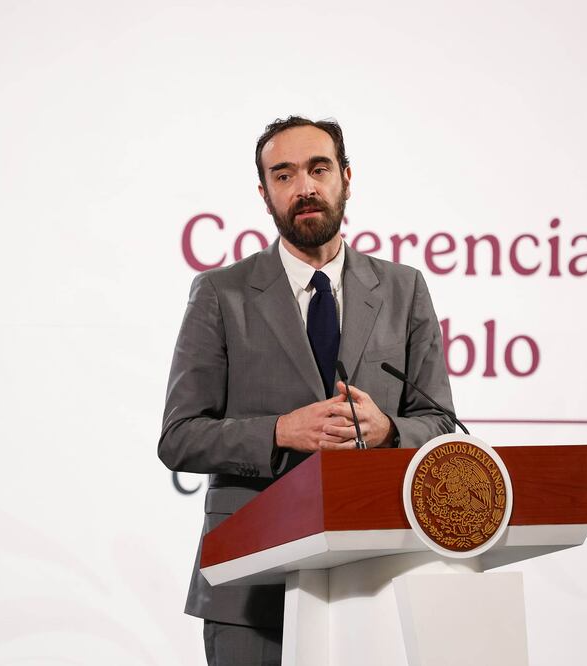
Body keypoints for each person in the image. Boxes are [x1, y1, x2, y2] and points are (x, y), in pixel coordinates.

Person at [157, 116, 455, 665]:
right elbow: (179, 438)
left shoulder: (403, 287)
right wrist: (280, 432)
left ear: (345, 176)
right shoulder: (220, 293)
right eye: (284, 175)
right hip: (249, 582)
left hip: (376, 577)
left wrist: (389, 432)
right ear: (265, 193)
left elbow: (440, 425)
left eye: (318, 169)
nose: (305, 187)